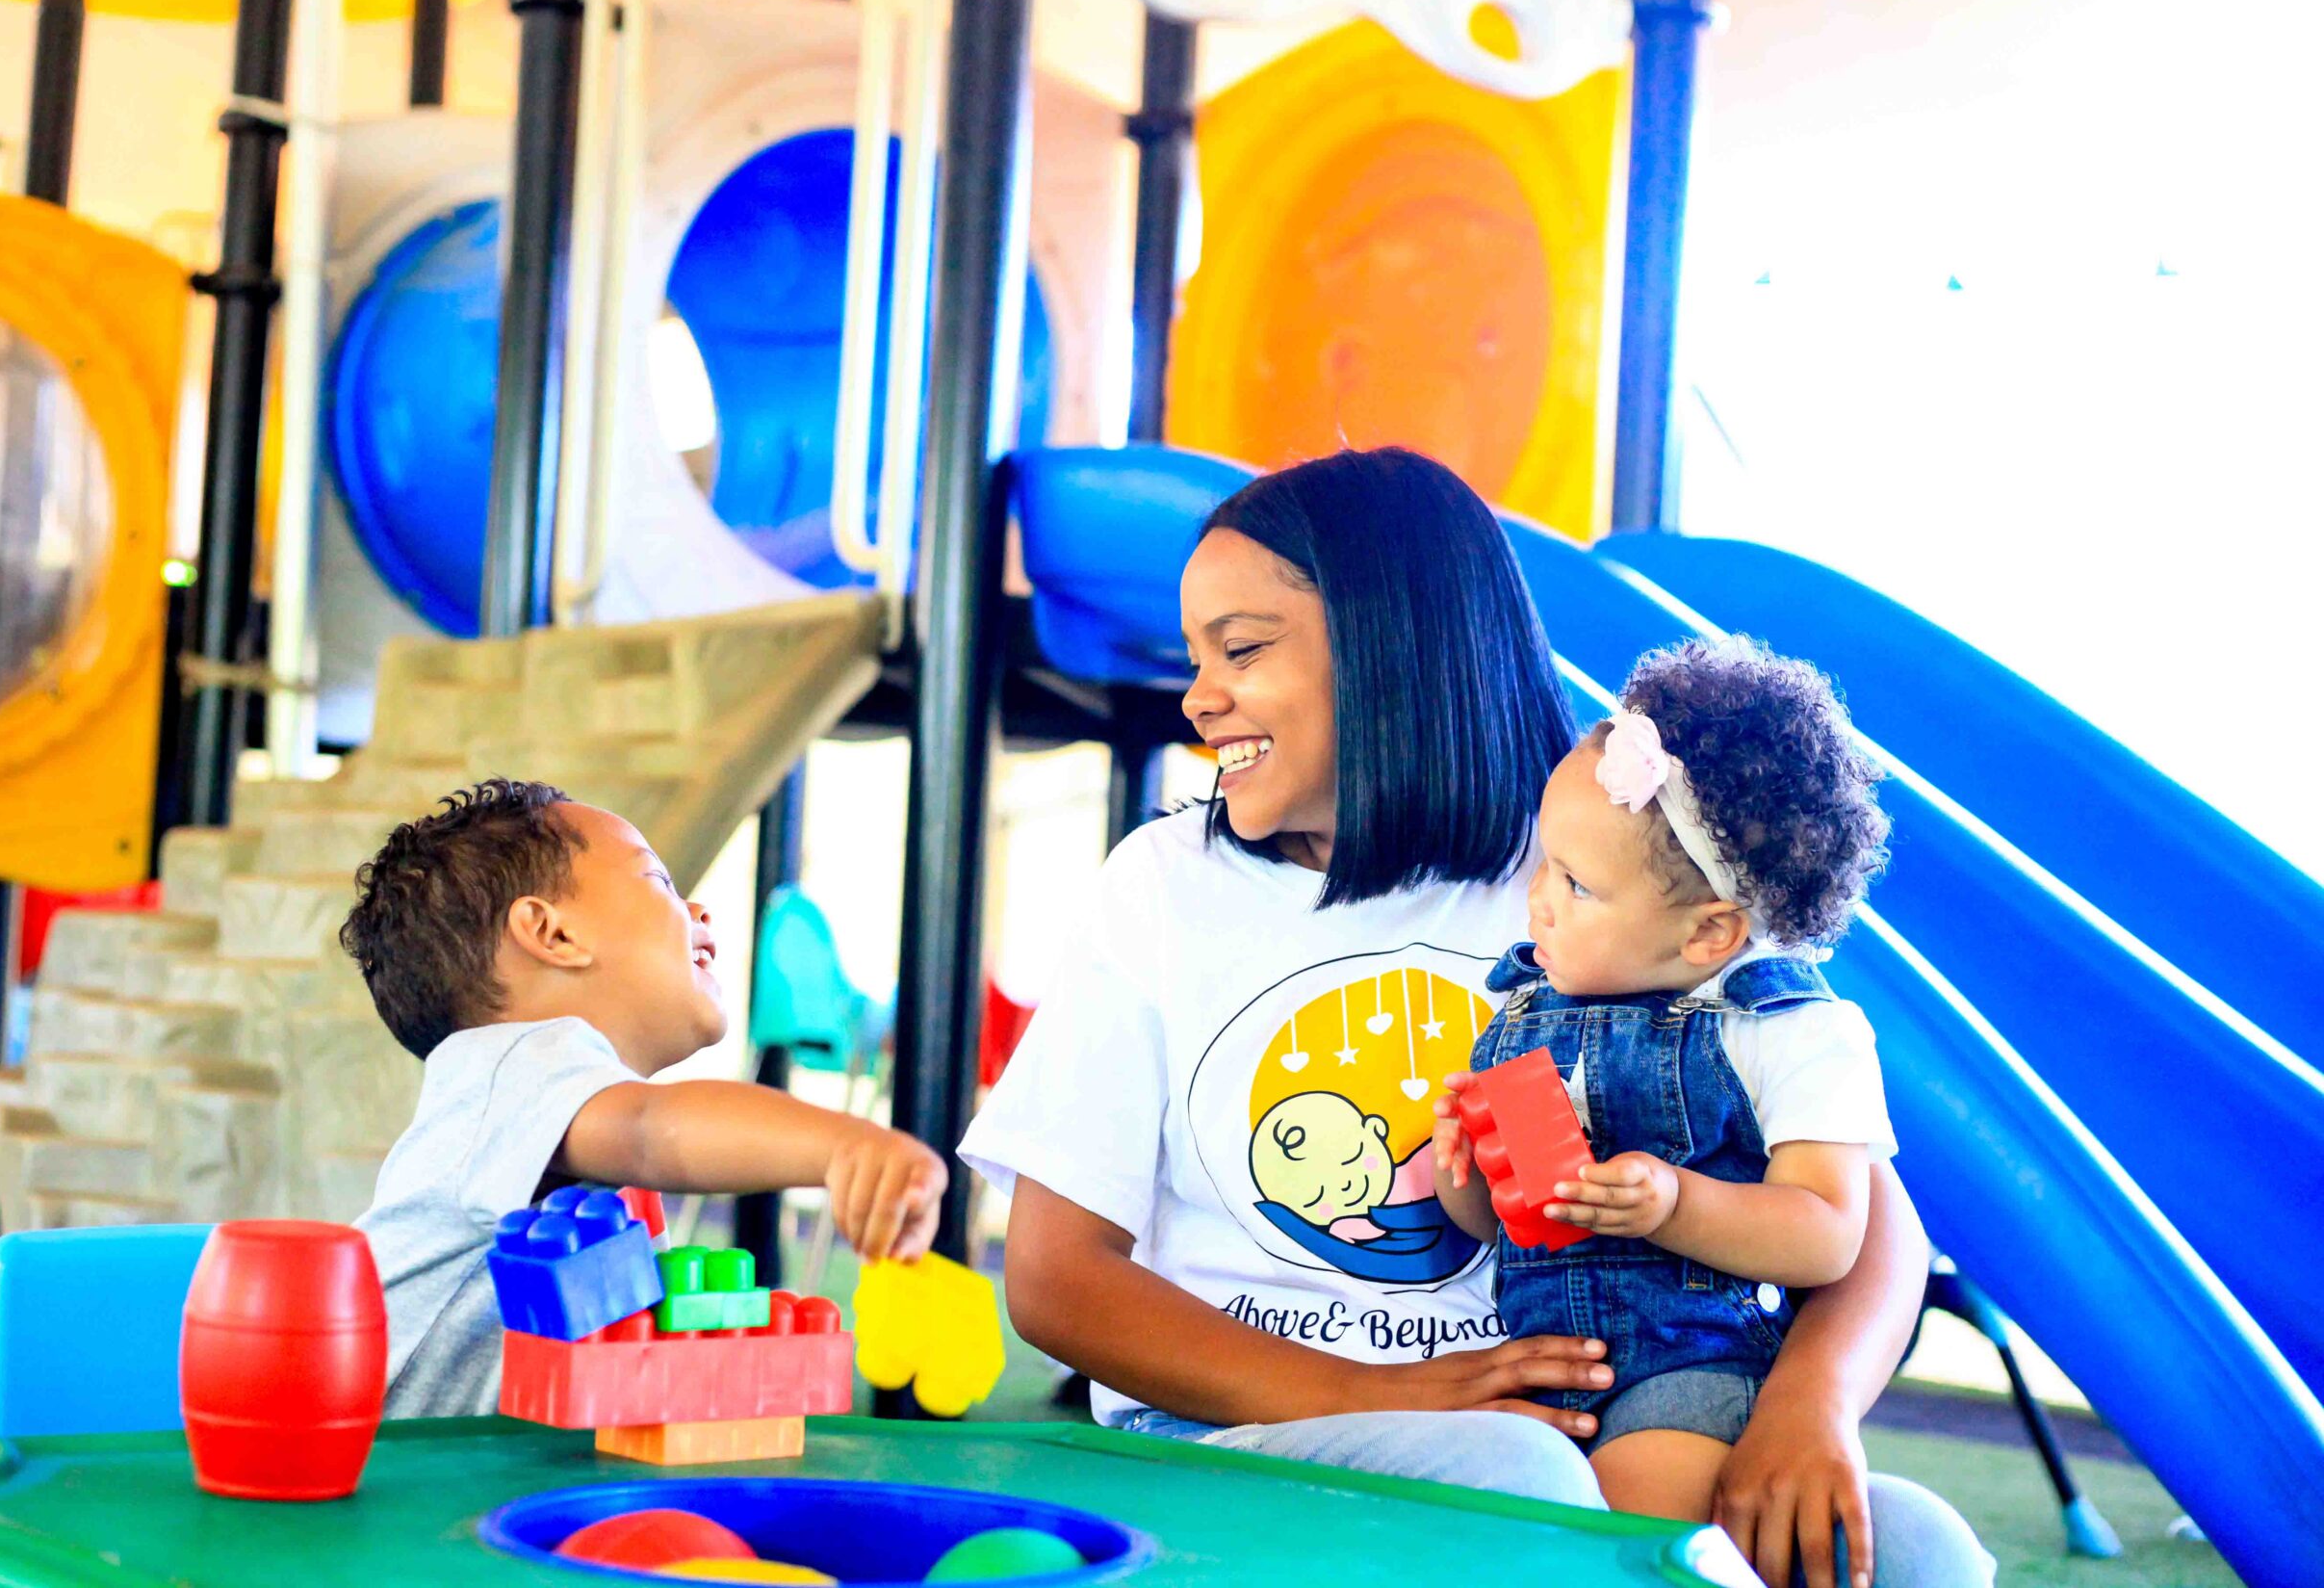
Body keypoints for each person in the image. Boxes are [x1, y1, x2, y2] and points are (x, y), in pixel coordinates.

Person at [959, 448, 1993, 1588]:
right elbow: (1059, 1281)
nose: (1198, 695)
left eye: (1242, 650)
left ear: (1394, 651)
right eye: (1195, 654)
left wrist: (1809, 1408)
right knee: (1520, 1485)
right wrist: (1377, 1395)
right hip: (1243, 1446)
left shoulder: (1601, 868)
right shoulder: (1163, 887)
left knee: (1912, 1551)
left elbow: (1864, 1214)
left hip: (1599, 1431)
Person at [1431, 638, 1896, 1525]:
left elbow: (1829, 1232)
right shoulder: (1530, 1005)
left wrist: (1672, 1203)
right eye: (1544, 867)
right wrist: (1466, 1167)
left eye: (1576, 884)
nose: (1537, 903)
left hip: (1695, 1372)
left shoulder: (1786, 1027)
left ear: (1710, 934)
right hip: (1542, 1369)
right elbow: (1492, 1226)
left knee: (1631, 1531)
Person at [341, 779, 944, 1418]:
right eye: (659, 882)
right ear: (553, 933)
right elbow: (653, 1129)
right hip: (377, 1466)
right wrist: (842, 1144)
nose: (700, 909)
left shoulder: (566, 1106)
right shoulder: (511, 1061)